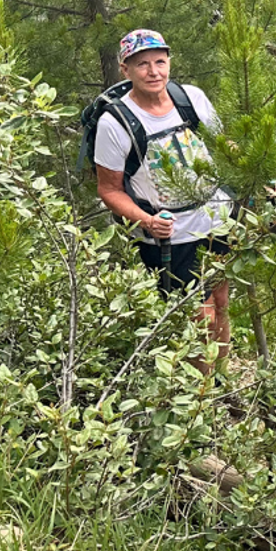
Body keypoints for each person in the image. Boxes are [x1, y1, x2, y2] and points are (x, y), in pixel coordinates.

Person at [93, 29, 234, 357]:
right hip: (169, 234)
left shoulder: (191, 98)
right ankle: (202, 385)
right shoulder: (115, 123)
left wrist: (258, 175)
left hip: (216, 217)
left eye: (160, 61)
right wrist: (147, 221)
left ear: (169, 62)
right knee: (198, 318)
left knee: (222, 301)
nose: (153, 71)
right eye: (142, 64)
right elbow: (109, 189)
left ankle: (223, 378)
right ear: (125, 70)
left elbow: (222, 145)